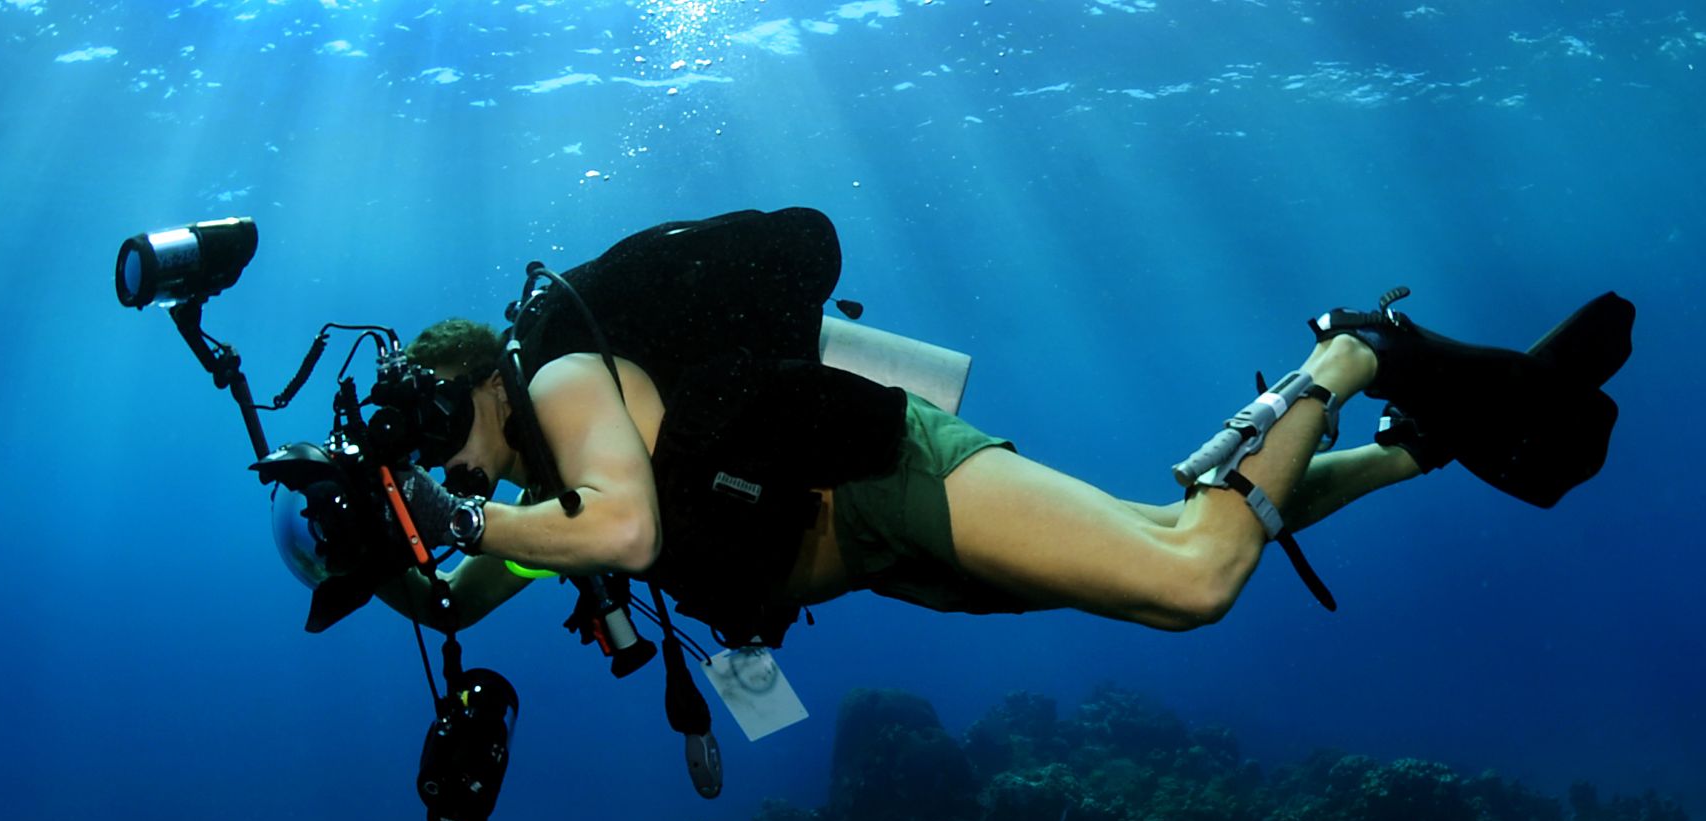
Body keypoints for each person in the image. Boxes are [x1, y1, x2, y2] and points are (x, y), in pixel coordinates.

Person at [372, 211, 1632, 642]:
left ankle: (1351, 350)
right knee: (1160, 538)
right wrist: (397, 551)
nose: (445, 460)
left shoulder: (555, 381)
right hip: (873, 549)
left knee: (1188, 582)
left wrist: (458, 509)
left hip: (876, 480)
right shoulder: (539, 495)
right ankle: (1423, 442)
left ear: (483, 380)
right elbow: (478, 584)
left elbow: (633, 529)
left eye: (442, 431)